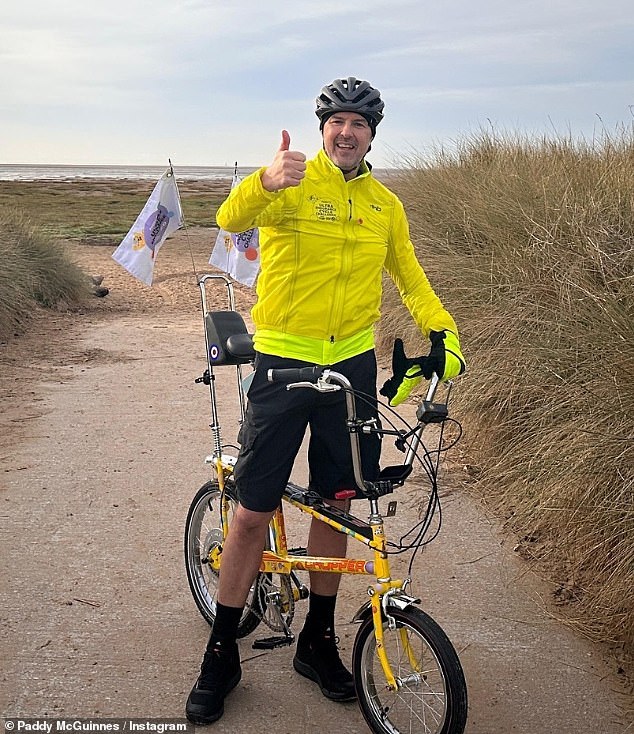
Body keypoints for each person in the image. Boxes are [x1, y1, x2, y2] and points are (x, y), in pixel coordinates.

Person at [186, 76, 466, 725]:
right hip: (284, 360)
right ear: (322, 131)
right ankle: (222, 646)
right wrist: (262, 181)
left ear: (372, 135)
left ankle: (316, 639)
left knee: (337, 506)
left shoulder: (385, 206)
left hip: (352, 366)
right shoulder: (289, 185)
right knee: (253, 513)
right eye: (336, 122)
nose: (346, 132)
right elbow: (229, 219)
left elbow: (411, 276)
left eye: (358, 124)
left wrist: (445, 331)